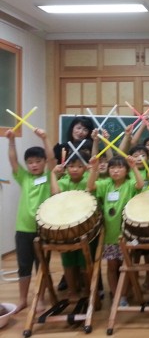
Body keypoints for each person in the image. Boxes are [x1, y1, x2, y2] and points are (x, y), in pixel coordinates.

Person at [6, 127, 56, 313]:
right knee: (23, 265)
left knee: (41, 265)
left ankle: (40, 298)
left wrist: (45, 138)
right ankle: (22, 300)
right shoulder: (24, 177)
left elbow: (53, 159)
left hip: (42, 229)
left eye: (38, 161)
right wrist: (11, 141)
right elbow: (13, 161)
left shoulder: (48, 175)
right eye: (30, 162)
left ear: (44, 162)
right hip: (23, 229)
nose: (34, 165)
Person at [86, 154, 144, 306]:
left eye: (119, 167)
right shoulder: (106, 184)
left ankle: (123, 295)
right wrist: (94, 168)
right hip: (110, 236)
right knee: (112, 267)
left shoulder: (130, 184)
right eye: (112, 167)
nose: (115, 171)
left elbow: (140, 185)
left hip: (128, 235)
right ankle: (115, 294)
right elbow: (90, 186)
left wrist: (134, 167)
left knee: (126, 267)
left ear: (126, 170)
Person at [50, 152, 92, 302]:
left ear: (85, 168)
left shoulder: (88, 179)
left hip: (85, 228)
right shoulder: (63, 181)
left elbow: (91, 188)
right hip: (66, 228)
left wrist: (92, 171)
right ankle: (72, 290)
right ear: (66, 168)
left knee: (85, 262)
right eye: (71, 166)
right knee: (68, 263)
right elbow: (55, 194)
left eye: (79, 166)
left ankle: (88, 290)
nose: (74, 169)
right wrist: (53, 174)